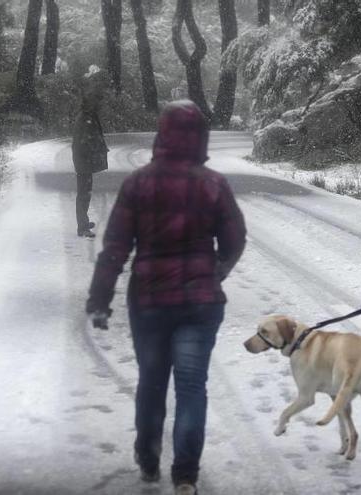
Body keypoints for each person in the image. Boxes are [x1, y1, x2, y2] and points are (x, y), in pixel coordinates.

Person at [85, 100, 247, 495]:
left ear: (162, 135)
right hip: (200, 302)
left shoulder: (139, 183)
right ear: (201, 138)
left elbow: (116, 247)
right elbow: (234, 239)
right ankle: (186, 475)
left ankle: (148, 457)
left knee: (152, 381)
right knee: (192, 385)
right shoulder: (213, 184)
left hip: (150, 302)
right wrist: (216, 271)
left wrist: (100, 297)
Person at [71, 75, 109, 238]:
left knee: (86, 192)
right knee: (83, 193)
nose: (99, 105)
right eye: (97, 102)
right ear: (91, 102)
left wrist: (100, 148)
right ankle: (82, 227)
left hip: (84, 160)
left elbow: (92, 137)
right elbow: (85, 140)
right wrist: (96, 149)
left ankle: (84, 222)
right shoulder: (85, 118)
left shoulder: (88, 116)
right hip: (83, 161)